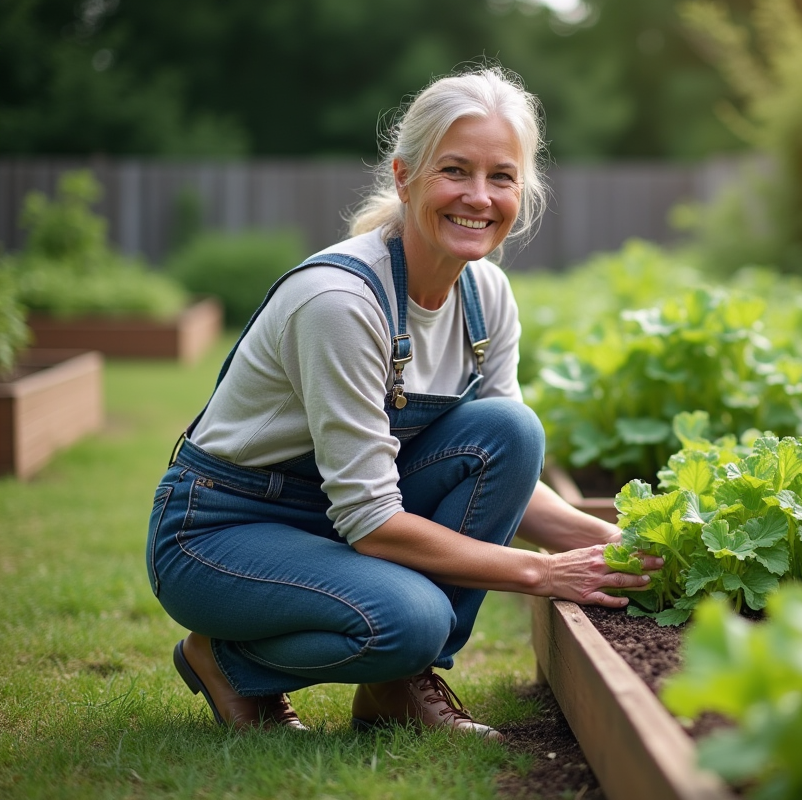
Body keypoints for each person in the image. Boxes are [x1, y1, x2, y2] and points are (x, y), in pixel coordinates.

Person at [145, 66, 660, 738]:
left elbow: (506, 473)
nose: (478, 196)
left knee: (510, 430)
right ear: (404, 177)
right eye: (455, 171)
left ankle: (394, 690)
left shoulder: (486, 297)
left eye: (501, 176)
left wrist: (628, 548)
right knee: (412, 619)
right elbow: (372, 521)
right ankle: (224, 660)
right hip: (223, 530)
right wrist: (540, 572)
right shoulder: (342, 303)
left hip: (335, 519)